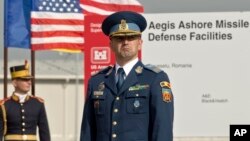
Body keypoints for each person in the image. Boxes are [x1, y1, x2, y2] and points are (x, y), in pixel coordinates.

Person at [80, 11, 174, 141]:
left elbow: (162, 129)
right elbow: (87, 131)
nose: (125, 42)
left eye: (131, 37)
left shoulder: (155, 79)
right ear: (111, 44)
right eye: (119, 38)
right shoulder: (97, 81)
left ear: (140, 43)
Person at [0, 61, 51, 141]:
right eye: (24, 79)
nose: (29, 82)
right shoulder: (4, 105)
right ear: (14, 83)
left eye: (30, 80)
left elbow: (44, 133)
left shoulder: (37, 104)